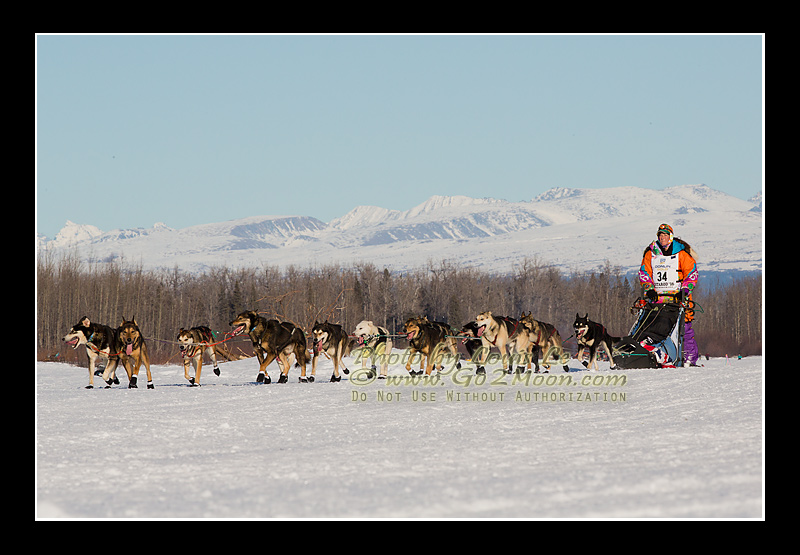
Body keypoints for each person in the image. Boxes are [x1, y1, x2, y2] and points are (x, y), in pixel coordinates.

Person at [639, 223, 700, 366]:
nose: (662, 238)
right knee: (655, 325)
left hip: (678, 298)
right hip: (657, 298)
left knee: (684, 328)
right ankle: (654, 355)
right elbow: (644, 272)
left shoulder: (681, 254)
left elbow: (692, 273)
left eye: (665, 235)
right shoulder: (651, 253)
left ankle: (689, 359)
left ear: (670, 237)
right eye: (660, 235)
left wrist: (684, 290)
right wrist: (649, 289)